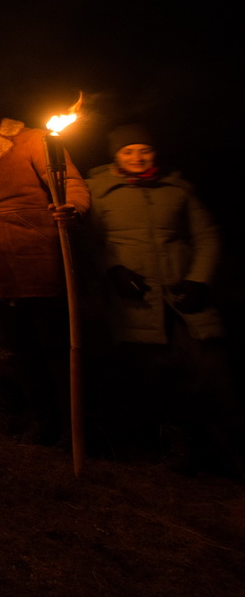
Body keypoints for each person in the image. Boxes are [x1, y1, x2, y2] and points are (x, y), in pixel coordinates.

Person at [85, 124, 237, 473]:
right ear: (115, 155)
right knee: (152, 376)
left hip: (183, 299)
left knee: (210, 374)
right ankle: (170, 446)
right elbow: (90, 242)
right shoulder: (99, 191)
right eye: (127, 151)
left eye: (144, 150)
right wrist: (113, 270)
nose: (137, 157)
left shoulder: (178, 189)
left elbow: (208, 236)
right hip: (136, 302)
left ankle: (223, 450)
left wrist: (199, 280)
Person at [0, 84, 89, 443]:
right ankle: (44, 420)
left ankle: (77, 425)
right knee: (21, 346)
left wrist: (73, 207)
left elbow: (70, 181)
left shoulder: (32, 138)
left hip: (34, 253)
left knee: (55, 343)